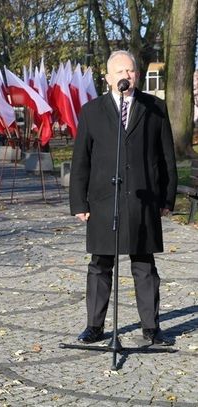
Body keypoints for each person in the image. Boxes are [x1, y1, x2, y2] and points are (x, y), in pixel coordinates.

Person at [69, 50, 177, 346]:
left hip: (143, 199)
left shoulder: (154, 108)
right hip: (104, 200)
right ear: (108, 78)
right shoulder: (92, 111)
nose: (125, 76)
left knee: (144, 265)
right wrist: (79, 202)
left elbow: (166, 157)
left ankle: (151, 327)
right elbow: (81, 160)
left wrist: (167, 197)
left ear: (137, 76)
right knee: (100, 264)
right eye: (119, 72)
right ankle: (94, 325)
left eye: (130, 71)